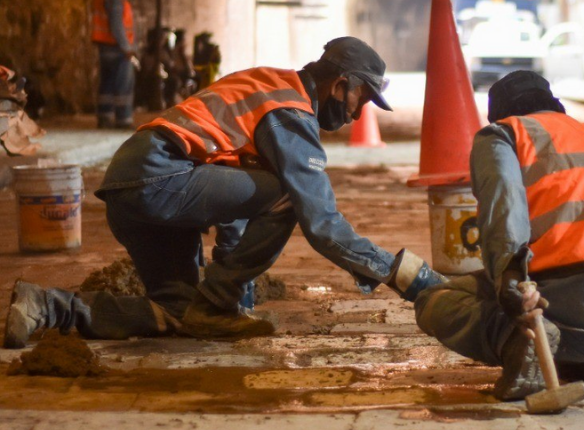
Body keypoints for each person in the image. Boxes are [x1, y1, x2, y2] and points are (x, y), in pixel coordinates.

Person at [3, 37, 445, 348]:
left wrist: (237, 296)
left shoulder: (268, 82)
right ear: (341, 83)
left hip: (132, 184)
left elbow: (233, 194)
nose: (355, 114)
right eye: (361, 100)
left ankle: (45, 306)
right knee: (289, 195)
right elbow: (322, 223)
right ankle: (215, 305)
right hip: (161, 179)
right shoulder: (290, 113)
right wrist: (406, 277)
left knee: (177, 313)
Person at [415, 71, 584, 400]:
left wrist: (510, 278)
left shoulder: (504, 133)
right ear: (555, 107)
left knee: (436, 301)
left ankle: (517, 342)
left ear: (502, 114)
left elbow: (503, 209)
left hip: (576, 305)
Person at [92, 0, 137, 129]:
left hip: (105, 47)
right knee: (123, 84)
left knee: (107, 83)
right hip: (117, 49)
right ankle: (123, 120)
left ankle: (104, 117)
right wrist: (126, 47)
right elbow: (116, 24)